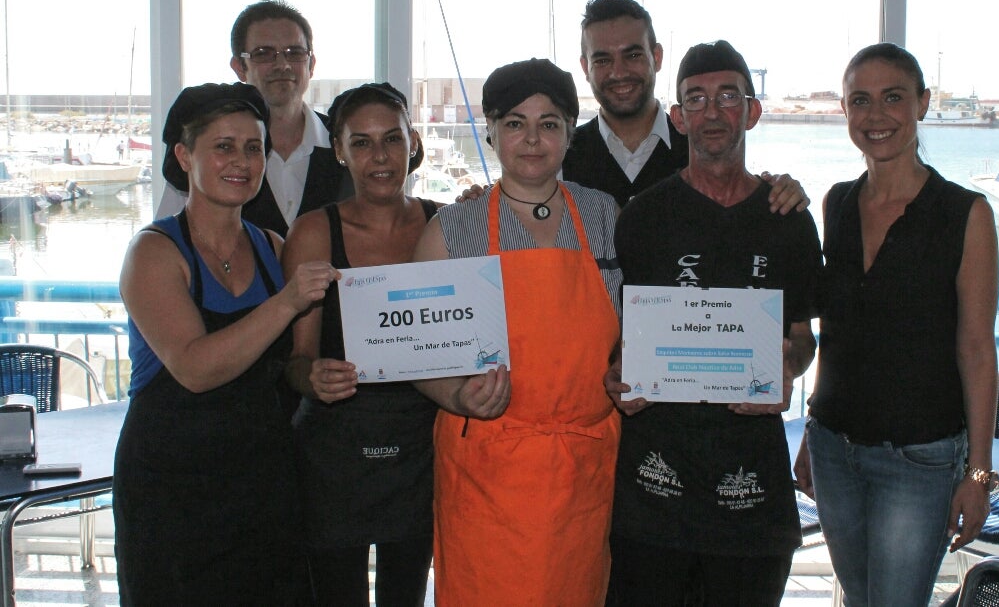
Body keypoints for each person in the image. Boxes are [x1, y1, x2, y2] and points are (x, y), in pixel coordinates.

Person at [605, 40, 822, 606]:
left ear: (752, 110)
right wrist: (617, 375)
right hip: (653, 488)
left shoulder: (789, 220)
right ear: (678, 118)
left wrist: (788, 368)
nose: (712, 112)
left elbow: (803, 338)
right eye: (696, 99)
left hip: (751, 492)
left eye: (728, 96)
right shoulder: (643, 217)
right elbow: (618, 337)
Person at [113, 82, 337, 605]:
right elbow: (194, 369)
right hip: (170, 486)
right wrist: (286, 302)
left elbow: (290, 361)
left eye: (253, 147)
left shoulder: (272, 248)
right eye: (223, 146)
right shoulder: (153, 252)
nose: (241, 161)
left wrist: (317, 375)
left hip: (263, 479)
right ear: (184, 156)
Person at [793, 42, 999, 607]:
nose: (875, 115)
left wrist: (978, 473)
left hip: (920, 460)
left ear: (922, 104)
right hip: (833, 450)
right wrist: (812, 430)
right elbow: (838, 336)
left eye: (893, 98)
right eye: (860, 100)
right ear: (844, 110)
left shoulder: (965, 214)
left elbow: (977, 350)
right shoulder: (837, 204)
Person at [412, 58, 622, 606]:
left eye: (548, 124)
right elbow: (417, 356)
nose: (531, 139)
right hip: (486, 471)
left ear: (570, 133)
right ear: (491, 131)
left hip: (581, 468)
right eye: (514, 123)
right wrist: (457, 395)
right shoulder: (451, 229)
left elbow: (634, 329)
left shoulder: (605, 216)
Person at [282, 82, 439, 606]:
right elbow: (296, 360)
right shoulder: (313, 232)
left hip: (420, 444)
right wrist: (313, 378)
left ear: (412, 142)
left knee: (406, 595)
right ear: (339, 151)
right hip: (335, 449)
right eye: (362, 142)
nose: (380, 157)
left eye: (392, 139)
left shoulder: (446, 223)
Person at [566, 0, 809, 213]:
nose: (619, 72)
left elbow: (742, 196)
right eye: (602, 60)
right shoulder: (560, 156)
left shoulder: (704, 145)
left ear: (657, 57)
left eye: (633, 55)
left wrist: (781, 192)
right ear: (585, 67)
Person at [156, 0, 350, 234]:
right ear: (239, 67)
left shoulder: (349, 144)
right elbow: (167, 238)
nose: (282, 65)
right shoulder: (207, 154)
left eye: (295, 53)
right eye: (264, 54)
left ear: (311, 64)